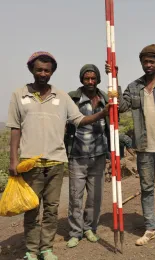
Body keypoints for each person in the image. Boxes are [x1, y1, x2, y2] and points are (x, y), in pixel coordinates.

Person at [7, 52, 109, 260]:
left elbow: (79, 120)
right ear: (32, 70)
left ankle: (46, 248)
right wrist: (13, 160)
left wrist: (102, 114)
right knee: (32, 209)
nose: (43, 73)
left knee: (52, 209)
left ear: (52, 72)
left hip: (56, 161)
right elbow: (15, 129)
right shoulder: (19, 95)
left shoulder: (61, 97)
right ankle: (31, 250)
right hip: (30, 163)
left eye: (47, 70)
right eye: (39, 69)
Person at [105, 44, 155, 247]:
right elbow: (121, 107)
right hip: (144, 147)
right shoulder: (134, 87)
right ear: (141, 63)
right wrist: (115, 79)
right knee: (146, 188)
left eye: (152, 61)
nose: (148, 65)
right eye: (145, 62)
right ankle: (150, 228)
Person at [64, 64, 110, 248]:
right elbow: (69, 123)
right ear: (81, 80)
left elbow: (116, 114)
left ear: (98, 79)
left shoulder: (104, 98)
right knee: (76, 196)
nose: (90, 82)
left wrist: (114, 73)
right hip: (77, 155)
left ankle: (89, 228)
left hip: (98, 154)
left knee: (95, 197)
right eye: (86, 78)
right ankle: (75, 232)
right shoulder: (73, 99)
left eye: (93, 78)